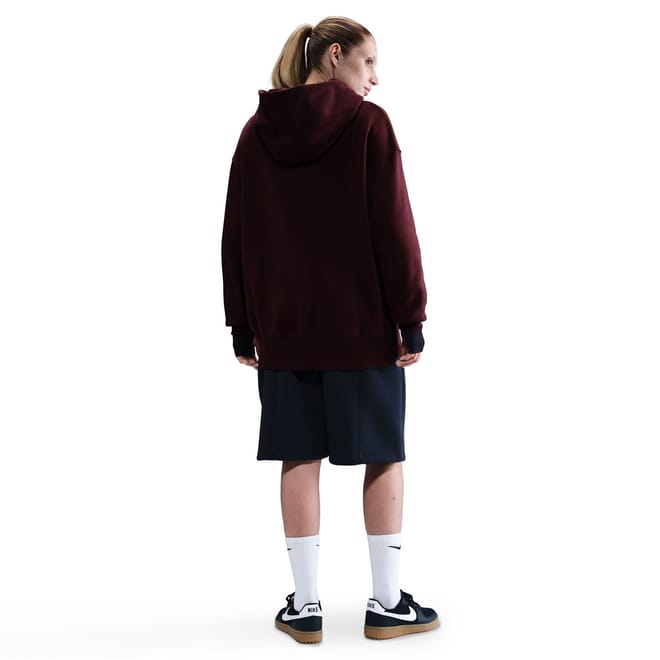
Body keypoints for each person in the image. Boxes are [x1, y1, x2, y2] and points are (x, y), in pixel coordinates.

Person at [221, 16, 439, 643]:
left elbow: (237, 234)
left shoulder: (256, 132)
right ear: (336, 55)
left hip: (285, 331)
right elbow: (394, 228)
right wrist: (411, 317)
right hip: (363, 328)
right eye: (369, 63)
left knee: (298, 456)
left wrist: (243, 325)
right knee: (383, 454)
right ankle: (388, 604)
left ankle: (306, 607)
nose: (376, 78)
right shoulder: (370, 126)